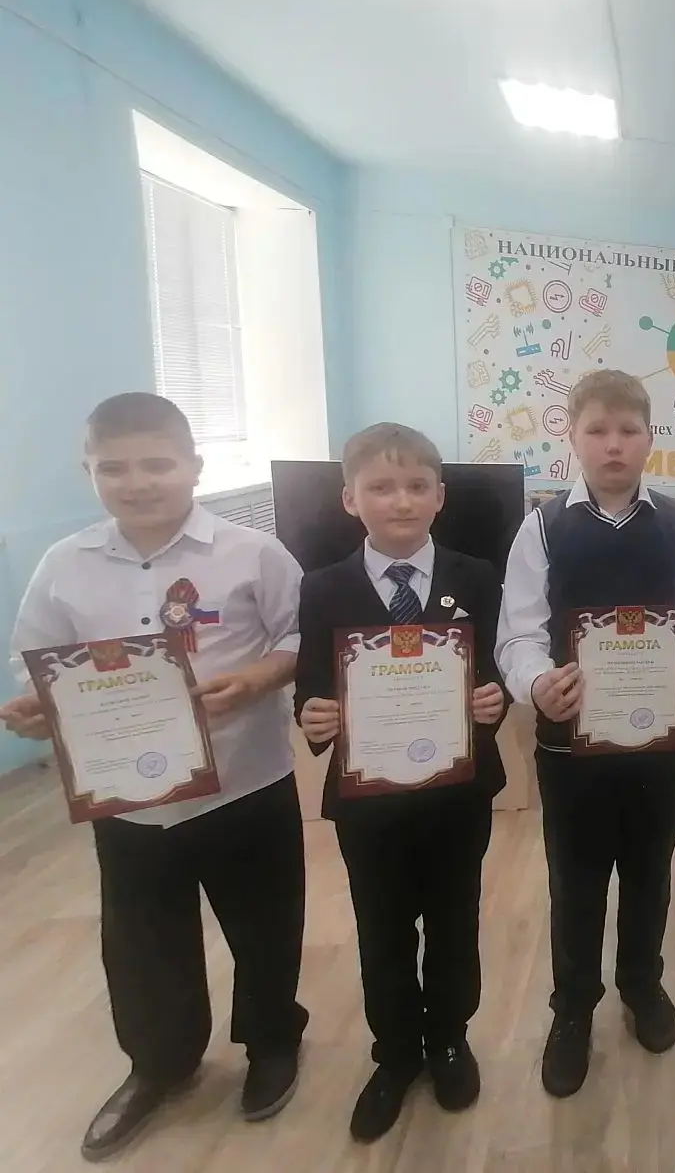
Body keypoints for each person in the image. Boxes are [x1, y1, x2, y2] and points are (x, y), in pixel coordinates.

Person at [0, 392, 308, 1162]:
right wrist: (39, 708)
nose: (137, 482)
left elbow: (302, 634)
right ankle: (159, 1064)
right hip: (127, 796)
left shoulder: (253, 552)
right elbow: (35, 661)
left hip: (243, 781)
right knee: (140, 939)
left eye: (157, 464)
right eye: (114, 468)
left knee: (265, 924)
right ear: (89, 472)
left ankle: (273, 1041)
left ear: (193, 466)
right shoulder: (64, 565)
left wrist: (259, 677)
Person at [496, 370, 675, 1098]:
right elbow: (518, 633)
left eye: (629, 430)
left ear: (651, 438)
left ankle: (641, 984)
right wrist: (537, 682)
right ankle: (572, 1010)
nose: (614, 444)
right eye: (597, 430)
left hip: (662, 742)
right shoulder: (541, 528)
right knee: (576, 881)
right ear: (572, 437)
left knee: (651, 871)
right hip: (571, 747)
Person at [293, 423, 509, 1141]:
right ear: (350, 499)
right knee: (381, 928)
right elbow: (313, 688)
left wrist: (496, 697)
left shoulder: (476, 576)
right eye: (381, 487)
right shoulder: (323, 588)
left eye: (417, 486)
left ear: (440, 496)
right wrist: (314, 715)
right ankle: (394, 1055)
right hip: (369, 802)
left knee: (454, 920)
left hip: (456, 794)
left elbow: (496, 669)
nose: (401, 501)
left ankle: (448, 1038)